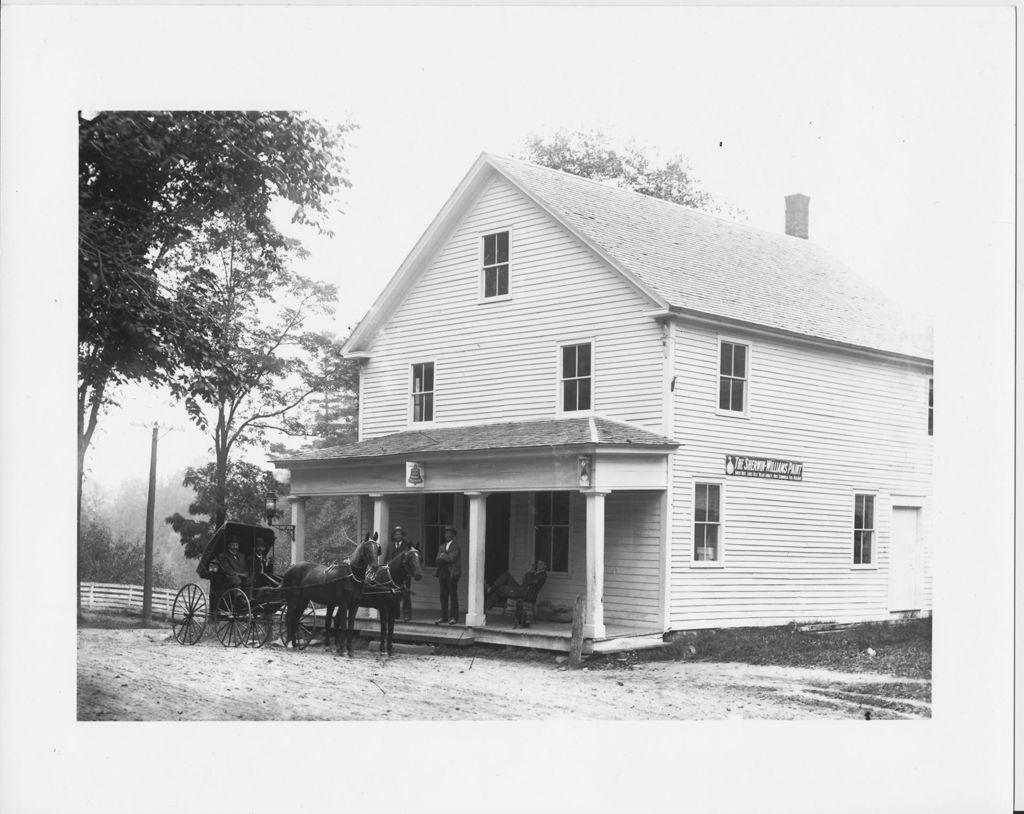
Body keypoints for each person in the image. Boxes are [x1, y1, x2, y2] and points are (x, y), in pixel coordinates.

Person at [484, 560, 548, 627]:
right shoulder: (535, 573)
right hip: (521, 589)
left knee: (500, 589)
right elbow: (524, 580)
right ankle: (491, 590)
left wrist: (529, 572)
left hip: (526, 594)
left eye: (541, 564)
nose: (538, 565)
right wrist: (528, 572)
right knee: (506, 575)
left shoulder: (543, 575)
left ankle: (488, 599)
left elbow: (530, 583)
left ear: (545, 566)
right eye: (538, 564)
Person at [382, 525, 415, 621]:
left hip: (404, 574)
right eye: (396, 534)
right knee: (393, 594)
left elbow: (411, 560)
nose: (398, 536)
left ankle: (407, 614)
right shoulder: (390, 546)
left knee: (405, 594)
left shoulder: (407, 546)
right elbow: (386, 559)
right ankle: (395, 614)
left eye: (400, 534)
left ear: (403, 535)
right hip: (393, 576)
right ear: (394, 535)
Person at [433, 525, 461, 625]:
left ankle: (453, 617)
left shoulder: (456, 546)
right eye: (446, 533)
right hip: (442, 573)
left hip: (452, 574)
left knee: (453, 596)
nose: (448, 535)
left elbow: (452, 558)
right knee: (443, 596)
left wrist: (443, 556)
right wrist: (444, 557)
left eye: (450, 533)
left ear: (453, 535)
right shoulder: (442, 546)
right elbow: (437, 560)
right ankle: (443, 617)